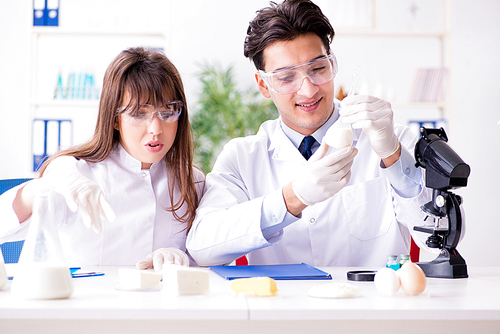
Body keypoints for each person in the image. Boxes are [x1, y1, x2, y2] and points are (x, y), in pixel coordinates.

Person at [186, 0, 433, 267]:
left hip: (374, 305)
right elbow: (203, 246)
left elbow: (440, 233)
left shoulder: (392, 139)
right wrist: (293, 198)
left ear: (333, 64)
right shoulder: (242, 158)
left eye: (317, 69)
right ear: (264, 86)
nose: (308, 90)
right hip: (282, 307)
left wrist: (393, 156)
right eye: (286, 77)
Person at [0, 47, 204, 269]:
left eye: (167, 112)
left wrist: (183, 258)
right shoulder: (76, 176)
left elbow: (209, 259)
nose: (155, 129)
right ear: (115, 118)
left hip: (159, 302)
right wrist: (43, 187)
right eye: (138, 114)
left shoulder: (193, 182)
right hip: (84, 302)